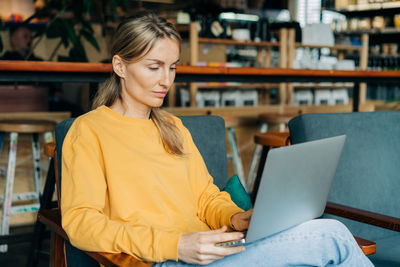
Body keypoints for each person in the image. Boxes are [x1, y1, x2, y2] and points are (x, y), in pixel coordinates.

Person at [61, 13, 374, 266]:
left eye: (172, 68)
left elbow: (205, 198)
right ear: (120, 66)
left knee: (318, 236)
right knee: (330, 236)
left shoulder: (173, 127)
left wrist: (237, 219)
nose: (166, 80)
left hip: (211, 249)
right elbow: (81, 223)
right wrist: (176, 245)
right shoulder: (89, 131)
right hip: (162, 259)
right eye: (153, 67)